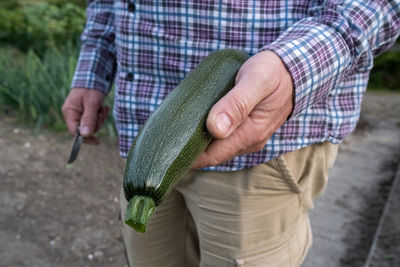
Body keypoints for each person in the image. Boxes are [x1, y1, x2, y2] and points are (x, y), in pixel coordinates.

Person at [62, 0, 400, 266]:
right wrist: (94, 68)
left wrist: (292, 70)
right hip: (147, 138)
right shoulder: (143, 176)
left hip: (263, 148)